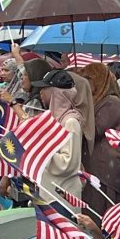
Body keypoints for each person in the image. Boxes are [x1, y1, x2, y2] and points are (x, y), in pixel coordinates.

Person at [79, 61, 120, 207]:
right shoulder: (93, 101)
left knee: (98, 206)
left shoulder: (111, 102)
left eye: (89, 78)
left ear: (99, 79)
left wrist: (79, 116)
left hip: (103, 166)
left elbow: (96, 129)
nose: (85, 82)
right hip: (90, 163)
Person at [37, 69, 84, 199]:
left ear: (55, 93)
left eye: (45, 88)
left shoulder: (70, 122)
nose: (40, 92)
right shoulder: (54, 119)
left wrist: (39, 150)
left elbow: (68, 164)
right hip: (49, 191)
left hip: (63, 195)